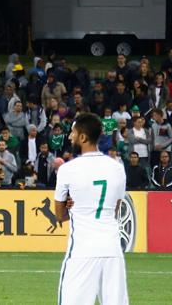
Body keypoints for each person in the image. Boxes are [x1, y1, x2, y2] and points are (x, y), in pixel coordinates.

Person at [54, 112, 128, 305]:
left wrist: (72, 207)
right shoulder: (117, 168)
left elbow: (60, 215)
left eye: (73, 133)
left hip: (83, 250)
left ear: (83, 137)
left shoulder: (68, 169)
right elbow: (115, 210)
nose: (70, 136)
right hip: (112, 249)